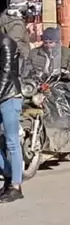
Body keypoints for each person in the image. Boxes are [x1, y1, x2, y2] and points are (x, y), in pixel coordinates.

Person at [0, 33, 23, 202]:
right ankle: (9, 173)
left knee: (12, 142)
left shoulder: (6, 42)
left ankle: (16, 186)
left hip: (9, 96)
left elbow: (6, 73)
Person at [0, 0, 30, 64]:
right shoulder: (16, 22)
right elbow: (15, 42)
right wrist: (25, 56)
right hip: (17, 60)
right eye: (25, 8)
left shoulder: (5, 17)